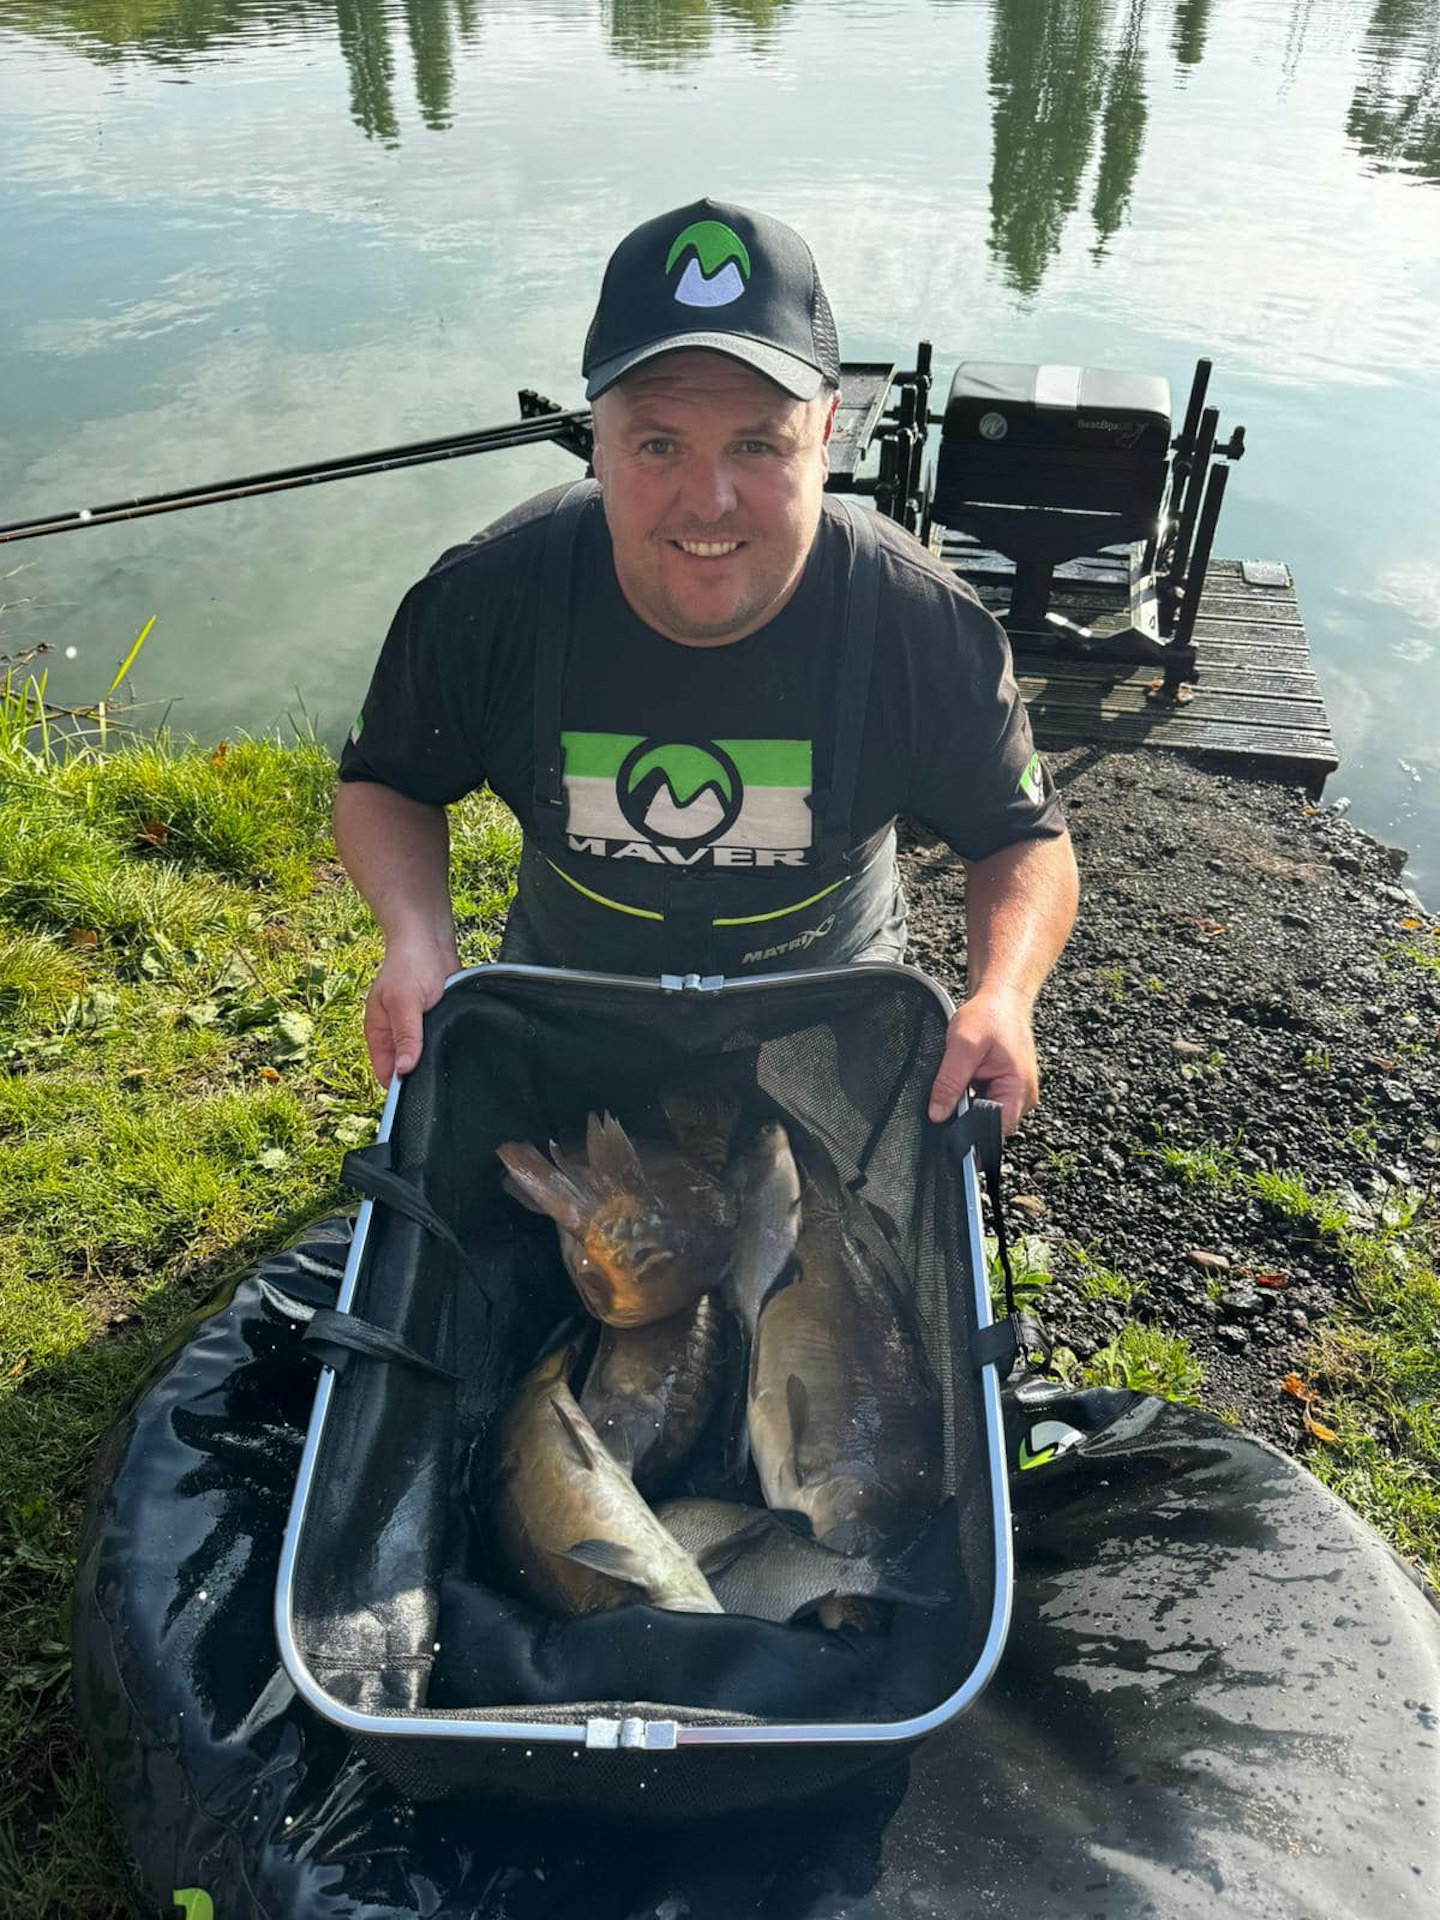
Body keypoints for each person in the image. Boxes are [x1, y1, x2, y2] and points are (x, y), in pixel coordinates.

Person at [335, 198, 1078, 1134]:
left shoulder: (922, 624)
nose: (709, 501)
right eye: (658, 444)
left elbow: (1024, 839)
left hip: (828, 994)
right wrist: (416, 934)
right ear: (595, 438)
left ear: (828, 431)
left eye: (757, 445)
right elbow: (385, 782)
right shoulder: (487, 596)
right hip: (570, 981)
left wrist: (1002, 994)